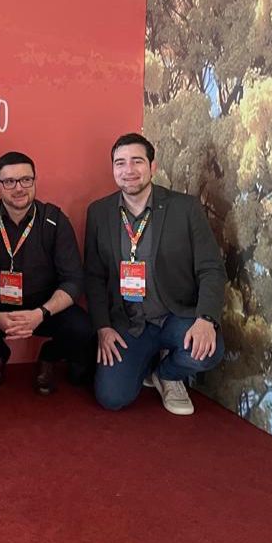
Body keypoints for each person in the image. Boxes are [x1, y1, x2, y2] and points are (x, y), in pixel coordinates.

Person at [85, 133, 225, 414]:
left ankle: (167, 374)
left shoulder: (185, 208)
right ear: (113, 169)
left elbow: (211, 267)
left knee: (206, 352)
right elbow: (94, 275)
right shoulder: (99, 212)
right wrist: (103, 326)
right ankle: (144, 362)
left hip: (175, 315)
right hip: (129, 322)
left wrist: (206, 319)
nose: (128, 170)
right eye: (120, 163)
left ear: (152, 167)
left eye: (137, 161)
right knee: (112, 398)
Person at [0, 151, 93, 394]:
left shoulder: (54, 220)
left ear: (34, 181)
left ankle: (49, 356)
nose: (19, 188)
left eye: (25, 180)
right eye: (9, 181)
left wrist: (41, 313)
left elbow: (74, 280)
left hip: (44, 308)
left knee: (82, 329)